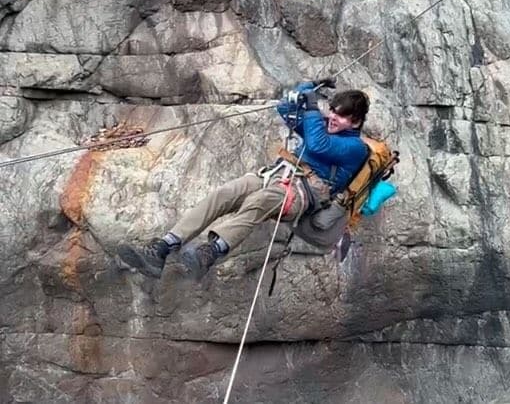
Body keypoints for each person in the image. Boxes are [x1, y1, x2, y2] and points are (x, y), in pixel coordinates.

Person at [116, 81, 370, 280]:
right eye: (333, 110)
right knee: (225, 193)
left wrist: (313, 107)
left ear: (355, 122)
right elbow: (284, 109)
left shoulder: (355, 147)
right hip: (276, 175)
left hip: (301, 195)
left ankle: (211, 251)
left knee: (260, 202)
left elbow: (318, 144)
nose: (334, 117)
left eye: (342, 116)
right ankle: (162, 248)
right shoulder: (325, 127)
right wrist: (307, 88)